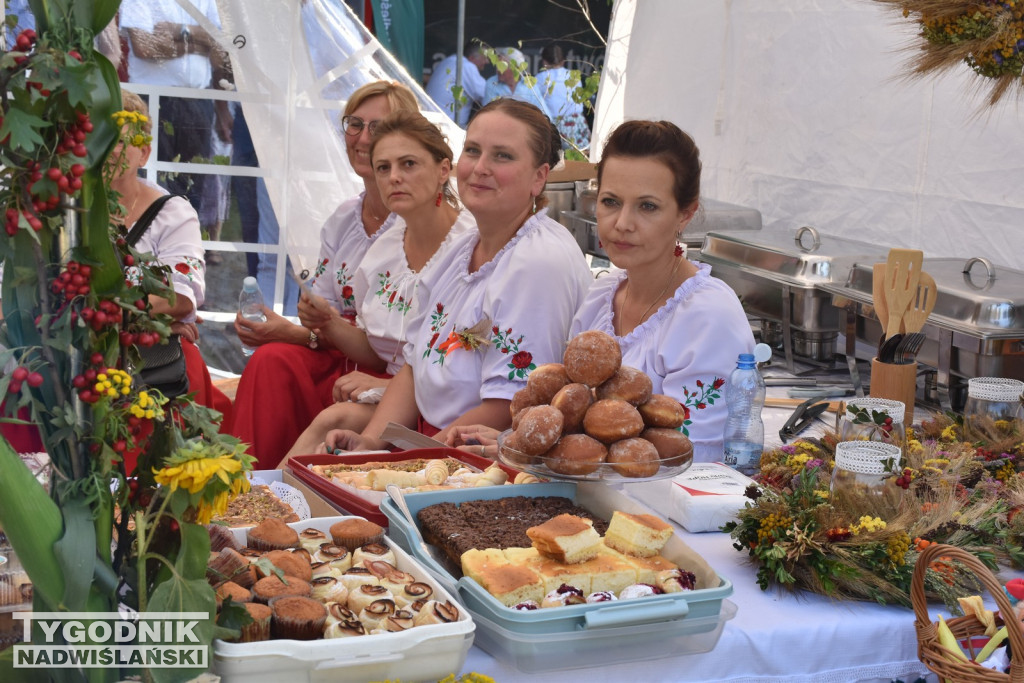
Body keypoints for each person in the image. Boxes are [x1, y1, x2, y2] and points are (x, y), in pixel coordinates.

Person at [322, 99, 592, 454]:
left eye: (502, 156)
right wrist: (372, 442)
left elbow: (507, 407)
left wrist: (413, 461)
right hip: (434, 443)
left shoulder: (538, 262)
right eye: (473, 150)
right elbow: (414, 364)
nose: (480, 168)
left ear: (539, 177)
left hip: (488, 458)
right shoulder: (462, 247)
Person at [229, 81, 419, 468]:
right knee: (272, 360)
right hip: (345, 357)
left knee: (283, 358)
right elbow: (326, 322)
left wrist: (313, 329)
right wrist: (296, 329)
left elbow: (399, 343)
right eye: (354, 124)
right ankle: (247, 478)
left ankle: (277, 493)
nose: (363, 138)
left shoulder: (419, 221)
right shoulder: (343, 219)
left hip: (402, 372)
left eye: (378, 126)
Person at [282, 110, 474, 460]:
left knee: (334, 422)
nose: (394, 177)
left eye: (409, 164)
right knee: (323, 414)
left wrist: (388, 387)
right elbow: (377, 349)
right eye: (383, 168)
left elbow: (465, 355)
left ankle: (273, 505)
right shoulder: (384, 250)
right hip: (394, 395)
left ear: (443, 170)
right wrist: (329, 321)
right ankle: (268, 505)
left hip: (447, 406)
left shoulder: (470, 246)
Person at [570, 120, 753, 461]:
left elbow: (685, 457)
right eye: (611, 201)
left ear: (685, 214)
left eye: (647, 206)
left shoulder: (707, 317)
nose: (622, 223)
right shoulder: (601, 297)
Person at [109, 91, 234, 438]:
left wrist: (105, 317)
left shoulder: (170, 212)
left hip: (150, 358)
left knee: (187, 365)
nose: (107, 150)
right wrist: (141, 316)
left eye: (120, 140)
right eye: (97, 137)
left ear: (144, 152)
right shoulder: (64, 211)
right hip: (77, 350)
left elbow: (178, 298)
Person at [538, 43, 591, 152]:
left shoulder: (540, 78)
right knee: (583, 158)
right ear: (563, 61)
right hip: (578, 121)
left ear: (544, 62)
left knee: (559, 161)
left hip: (556, 125)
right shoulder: (574, 75)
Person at [425, 41, 489, 127]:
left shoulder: (450, 60)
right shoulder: (467, 66)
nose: (487, 62)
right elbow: (489, 96)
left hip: (430, 119)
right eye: (484, 58)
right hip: (445, 126)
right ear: (472, 58)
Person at [482, 48, 551, 117]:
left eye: (503, 66)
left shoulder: (529, 85)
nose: (498, 70)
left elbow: (544, 113)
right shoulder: (491, 83)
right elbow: (486, 114)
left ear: (516, 69)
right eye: (498, 66)